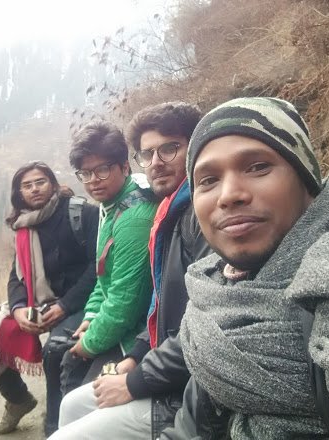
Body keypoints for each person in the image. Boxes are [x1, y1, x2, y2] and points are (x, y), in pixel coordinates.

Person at [160, 97, 329, 439]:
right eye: (208, 180)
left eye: (257, 167)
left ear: (306, 181)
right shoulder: (211, 306)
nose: (229, 194)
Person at [50, 102, 212, 439]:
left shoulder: (179, 218)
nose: (157, 162)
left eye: (170, 148)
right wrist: (94, 320)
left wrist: (129, 373)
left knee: (68, 367)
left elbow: (128, 303)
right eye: (148, 154)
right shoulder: (162, 212)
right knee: (71, 402)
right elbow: (113, 282)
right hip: (154, 355)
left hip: (187, 392)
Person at [0, 161, 99, 436]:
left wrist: (65, 306)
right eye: (27, 185)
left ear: (53, 184)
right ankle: (18, 399)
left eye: (40, 182)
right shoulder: (24, 227)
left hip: (81, 301)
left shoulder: (82, 213)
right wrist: (19, 308)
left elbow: (98, 266)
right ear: (19, 193)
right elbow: (17, 276)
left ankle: (56, 426)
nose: (34, 189)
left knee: (55, 350)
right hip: (40, 302)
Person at [58, 121, 158, 398]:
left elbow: (125, 303)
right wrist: (91, 316)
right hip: (120, 323)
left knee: (75, 378)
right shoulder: (112, 205)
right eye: (85, 173)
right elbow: (104, 275)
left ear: (124, 167)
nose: (93, 180)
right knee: (61, 357)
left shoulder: (133, 219)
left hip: (137, 336)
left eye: (102, 170)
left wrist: (89, 344)